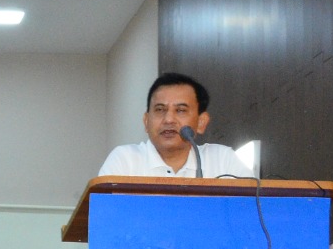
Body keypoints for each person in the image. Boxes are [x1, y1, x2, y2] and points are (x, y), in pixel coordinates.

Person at [97, 72, 254, 178]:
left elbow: (253, 214)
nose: (169, 119)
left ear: (201, 122)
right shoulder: (126, 160)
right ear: (146, 121)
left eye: (180, 110)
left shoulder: (222, 160)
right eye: (160, 109)